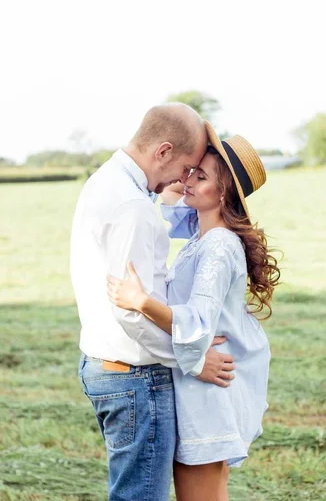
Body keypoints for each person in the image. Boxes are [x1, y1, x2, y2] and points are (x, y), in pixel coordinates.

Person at [107, 122, 280, 501]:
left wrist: (142, 302)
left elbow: (199, 321)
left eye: (200, 176)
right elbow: (170, 215)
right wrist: (178, 182)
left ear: (222, 193)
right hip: (202, 386)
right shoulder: (204, 236)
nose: (187, 180)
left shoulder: (217, 245)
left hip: (207, 392)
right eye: (190, 171)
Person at [70, 105, 235, 501]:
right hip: (134, 377)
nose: (184, 179)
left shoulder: (106, 182)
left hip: (106, 366)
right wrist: (193, 359)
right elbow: (132, 311)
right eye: (185, 167)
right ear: (162, 151)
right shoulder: (133, 208)